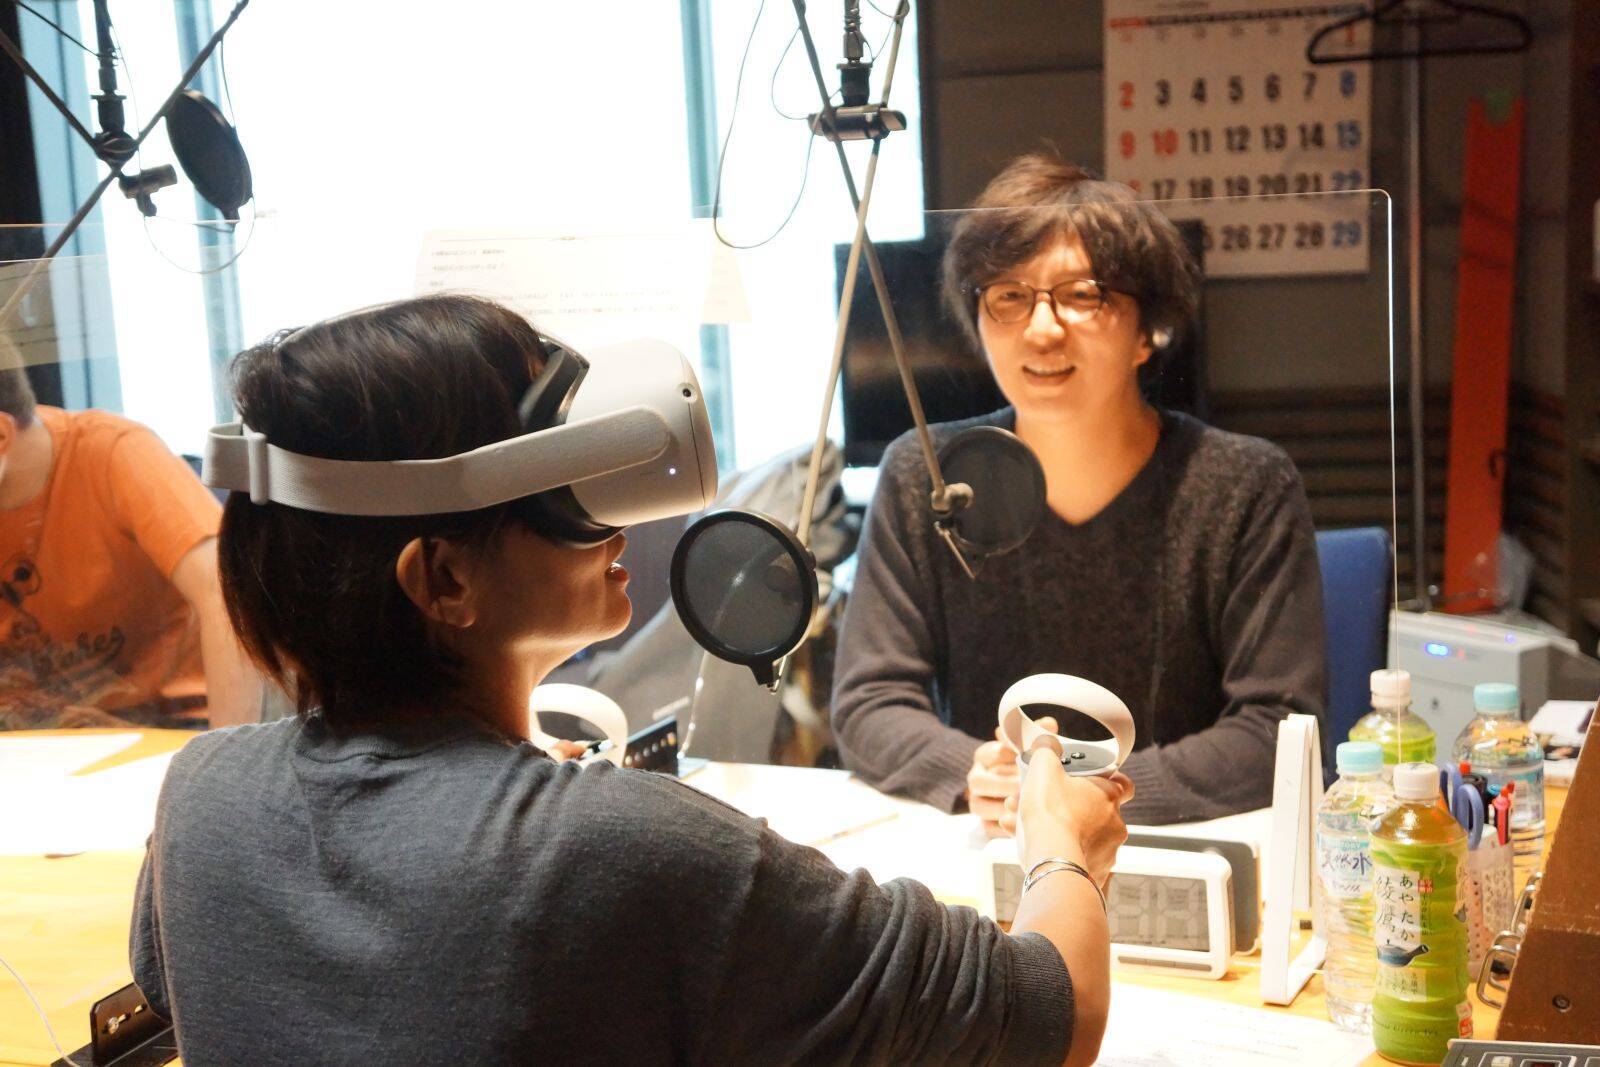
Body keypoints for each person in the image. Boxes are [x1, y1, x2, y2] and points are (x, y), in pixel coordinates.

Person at [130, 295, 1134, 1065]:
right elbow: (1053, 1011)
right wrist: (1062, 844)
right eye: (565, 486)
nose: (614, 516)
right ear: (443, 578)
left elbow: (185, 980)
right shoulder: (623, 847)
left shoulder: (202, 792)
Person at [831, 155, 1327, 828]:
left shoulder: (1246, 486)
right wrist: (973, 771)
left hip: (1183, 846)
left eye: (1083, 295)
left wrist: (1091, 792)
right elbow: (869, 701)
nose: (1042, 329)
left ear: (1148, 332)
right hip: (994, 846)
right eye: (1009, 296)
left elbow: (1279, 726)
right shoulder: (926, 476)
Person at [0, 342, 260, 729]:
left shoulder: (113, 452)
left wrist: (226, 756)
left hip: (166, 723)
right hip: (35, 733)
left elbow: (224, 590)